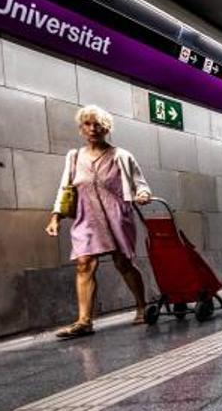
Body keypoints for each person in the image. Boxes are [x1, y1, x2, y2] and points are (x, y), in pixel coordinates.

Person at [45, 104, 152, 338]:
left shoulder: (121, 156)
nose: (93, 129)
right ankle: (84, 321)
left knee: (123, 263)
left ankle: (142, 305)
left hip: (117, 216)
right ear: (81, 128)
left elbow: (140, 184)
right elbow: (66, 188)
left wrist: (142, 194)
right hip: (86, 217)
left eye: (98, 125)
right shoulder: (74, 157)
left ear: (106, 129)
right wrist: (56, 217)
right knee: (84, 263)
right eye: (87, 124)